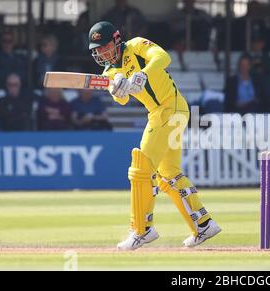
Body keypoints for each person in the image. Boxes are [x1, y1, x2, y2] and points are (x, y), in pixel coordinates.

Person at [88, 21, 221, 250]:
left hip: (171, 108)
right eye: (96, 49)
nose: (101, 52)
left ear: (117, 40)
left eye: (104, 46)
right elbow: (121, 99)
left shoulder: (136, 46)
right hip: (163, 113)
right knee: (169, 174)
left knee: (141, 167)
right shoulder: (109, 71)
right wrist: (116, 88)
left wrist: (142, 75)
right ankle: (203, 224)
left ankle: (141, 230)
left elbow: (163, 57)